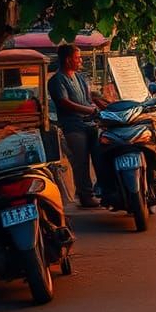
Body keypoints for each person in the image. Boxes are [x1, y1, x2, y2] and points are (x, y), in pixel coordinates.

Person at [47, 45, 106, 208]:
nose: (80, 60)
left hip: (90, 123)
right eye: (77, 57)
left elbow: (91, 97)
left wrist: (107, 106)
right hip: (73, 125)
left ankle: (104, 189)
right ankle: (85, 195)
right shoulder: (56, 80)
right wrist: (89, 110)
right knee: (81, 161)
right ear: (68, 60)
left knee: (101, 155)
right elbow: (64, 103)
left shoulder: (80, 78)